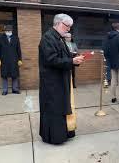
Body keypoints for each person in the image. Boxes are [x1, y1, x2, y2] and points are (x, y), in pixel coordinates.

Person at [39, 13, 85, 144]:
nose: (69, 29)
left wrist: (75, 58)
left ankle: (65, 132)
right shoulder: (48, 38)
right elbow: (51, 59)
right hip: (52, 82)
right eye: (67, 26)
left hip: (60, 79)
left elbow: (63, 54)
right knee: (54, 109)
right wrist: (71, 61)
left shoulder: (58, 37)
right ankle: (55, 137)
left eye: (70, 27)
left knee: (62, 107)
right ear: (58, 23)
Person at [0, 25, 22, 95]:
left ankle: (15, 89)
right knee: (4, 75)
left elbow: (18, 50)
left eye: (10, 30)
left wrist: (20, 59)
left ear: (11, 31)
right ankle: (5, 90)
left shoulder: (16, 38)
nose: (9, 31)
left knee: (15, 75)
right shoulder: (0, 38)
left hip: (14, 59)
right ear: (5, 31)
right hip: (4, 60)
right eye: (7, 30)